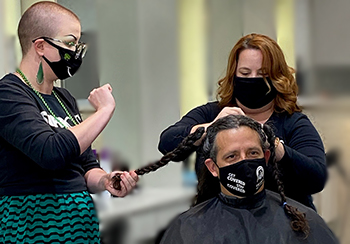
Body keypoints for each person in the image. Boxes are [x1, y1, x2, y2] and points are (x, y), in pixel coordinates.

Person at [0, 2, 138, 243]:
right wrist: (104, 110)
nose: (76, 52)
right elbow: (49, 152)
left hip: (78, 223)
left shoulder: (64, 99)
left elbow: (85, 166)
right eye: (70, 43)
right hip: (34, 224)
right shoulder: (9, 93)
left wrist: (106, 180)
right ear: (40, 46)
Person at [158, 33, 326, 210]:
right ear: (233, 75)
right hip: (218, 226)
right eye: (245, 73)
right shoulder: (211, 113)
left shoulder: (292, 122)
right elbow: (167, 142)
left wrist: (273, 145)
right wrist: (212, 127)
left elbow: (316, 178)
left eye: (262, 74)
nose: (253, 79)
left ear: (277, 78)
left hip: (284, 228)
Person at [160, 115, 338, 244]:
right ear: (213, 168)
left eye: (253, 153)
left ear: (266, 157)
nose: (244, 161)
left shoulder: (304, 223)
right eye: (232, 156)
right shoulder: (187, 229)